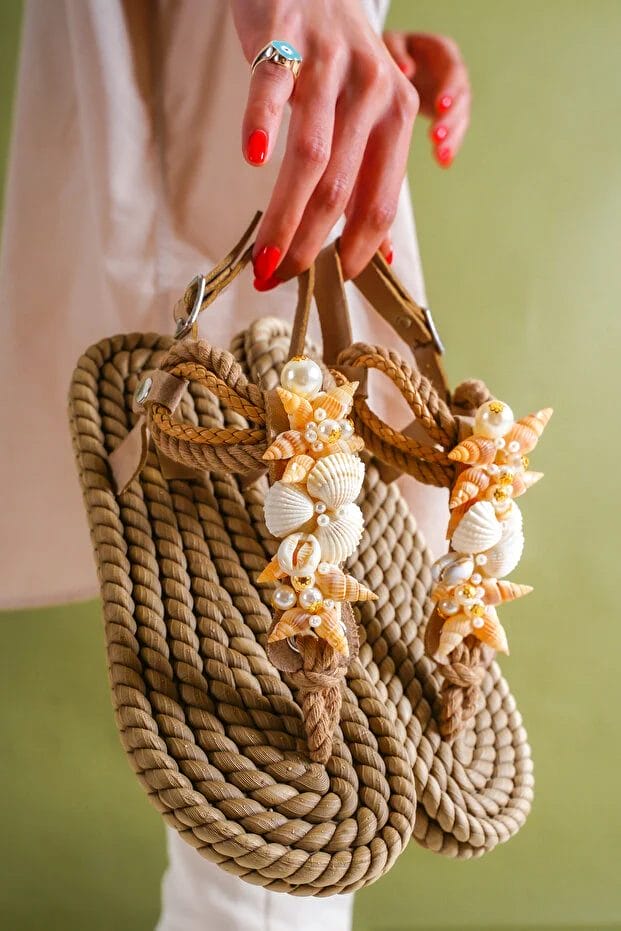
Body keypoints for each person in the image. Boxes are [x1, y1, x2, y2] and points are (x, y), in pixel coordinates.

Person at [0, 2, 470, 928]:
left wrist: (363, 29)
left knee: (275, 859)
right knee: (269, 870)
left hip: (264, 67)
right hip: (244, 67)